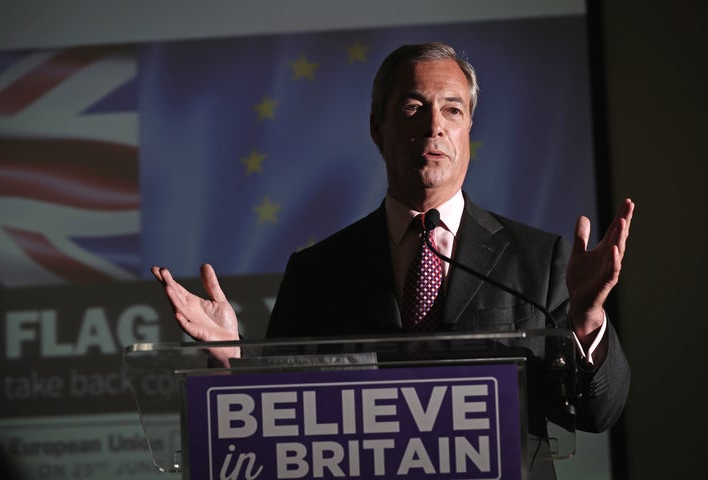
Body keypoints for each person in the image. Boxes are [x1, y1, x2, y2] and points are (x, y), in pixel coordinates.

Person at [152, 42, 633, 479]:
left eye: (453, 109)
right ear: (377, 127)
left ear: (468, 128)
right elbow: (279, 425)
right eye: (412, 107)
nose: (434, 125)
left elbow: (597, 414)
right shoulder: (318, 271)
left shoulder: (540, 259)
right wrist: (229, 357)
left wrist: (588, 321)